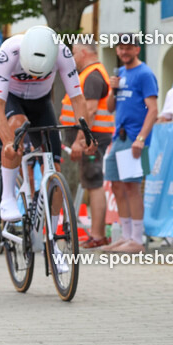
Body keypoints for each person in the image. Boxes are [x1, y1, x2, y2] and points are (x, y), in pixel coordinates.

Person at [0, 26, 92, 225]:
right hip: (13, 98)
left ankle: (52, 240)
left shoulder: (62, 53)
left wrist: (84, 136)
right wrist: (8, 143)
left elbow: (77, 99)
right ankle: (7, 197)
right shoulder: (9, 51)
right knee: (16, 131)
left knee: (55, 169)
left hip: (41, 101)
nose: (35, 77)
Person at [103, 35, 158, 253]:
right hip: (120, 137)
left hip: (135, 139)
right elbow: (109, 108)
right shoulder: (120, 74)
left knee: (132, 187)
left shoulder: (144, 74)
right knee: (117, 185)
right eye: (120, 48)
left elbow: (153, 109)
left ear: (137, 49)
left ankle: (137, 239)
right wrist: (112, 89)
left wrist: (141, 139)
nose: (124, 52)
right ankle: (125, 236)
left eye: (128, 48)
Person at [59, 42, 115, 248]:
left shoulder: (92, 76)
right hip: (94, 136)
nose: (72, 58)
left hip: (94, 138)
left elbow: (89, 112)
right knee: (91, 181)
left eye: (73, 53)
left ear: (83, 53)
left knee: (93, 181)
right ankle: (97, 234)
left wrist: (80, 140)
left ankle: (98, 235)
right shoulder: (92, 74)